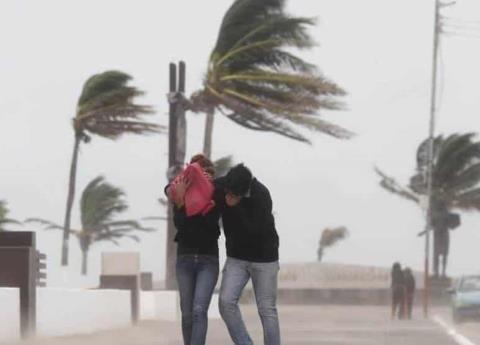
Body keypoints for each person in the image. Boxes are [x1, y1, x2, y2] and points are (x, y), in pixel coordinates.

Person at [215, 164, 281, 345]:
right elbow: (205, 187)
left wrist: (236, 206)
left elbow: (254, 231)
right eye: (227, 190)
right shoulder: (227, 185)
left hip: (265, 258)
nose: (227, 194)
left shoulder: (262, 195)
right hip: (237, 258)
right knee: (226, 302)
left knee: (266, 309)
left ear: (244, 190)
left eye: (233, 193)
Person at [165, 154, 220, 345]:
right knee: (187, 313)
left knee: (199, 310)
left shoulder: (215, 195)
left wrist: (206, 201)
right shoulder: (181, 195)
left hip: (208, 260)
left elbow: (211, 228)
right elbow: (181, 225)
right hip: (185, 259)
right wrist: (180, 202)